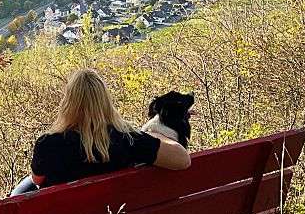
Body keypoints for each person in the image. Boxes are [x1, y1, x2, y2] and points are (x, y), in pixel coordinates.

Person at [10, 68, 190, 196]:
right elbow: (183, 160)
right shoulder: (127, 139)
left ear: (68, 104)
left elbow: (38, 180)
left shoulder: (48, 145)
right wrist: (153, 133)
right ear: (105, 102)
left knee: (24, 187)